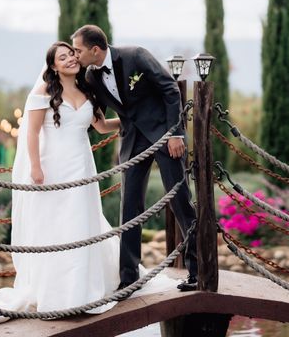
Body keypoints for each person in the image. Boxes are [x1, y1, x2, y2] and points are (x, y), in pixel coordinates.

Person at [0, 41, 122, 329]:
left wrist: (128, 121)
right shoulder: (43, 93)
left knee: (83, 222)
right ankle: (61, 292)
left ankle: (84, 289)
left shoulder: (88, 89)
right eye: (62, 57)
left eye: (71, 55)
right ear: (52, 65)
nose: (69, 60)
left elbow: (100, 127)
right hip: (54, 168)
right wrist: (36, 167)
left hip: (82, 165)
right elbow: (32, 133)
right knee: (59, 225)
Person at [71, 25, 198, 292]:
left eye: (79, 50)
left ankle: (198, 271)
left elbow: (171, 91)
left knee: (180, 202)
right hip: (131, 142)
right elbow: (100, 117)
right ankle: (129, 279)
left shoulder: (136, 56)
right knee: (129, 209)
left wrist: (176, 134)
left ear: (95, 50)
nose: (75, 55)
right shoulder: (92, 78)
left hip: (165, 137)